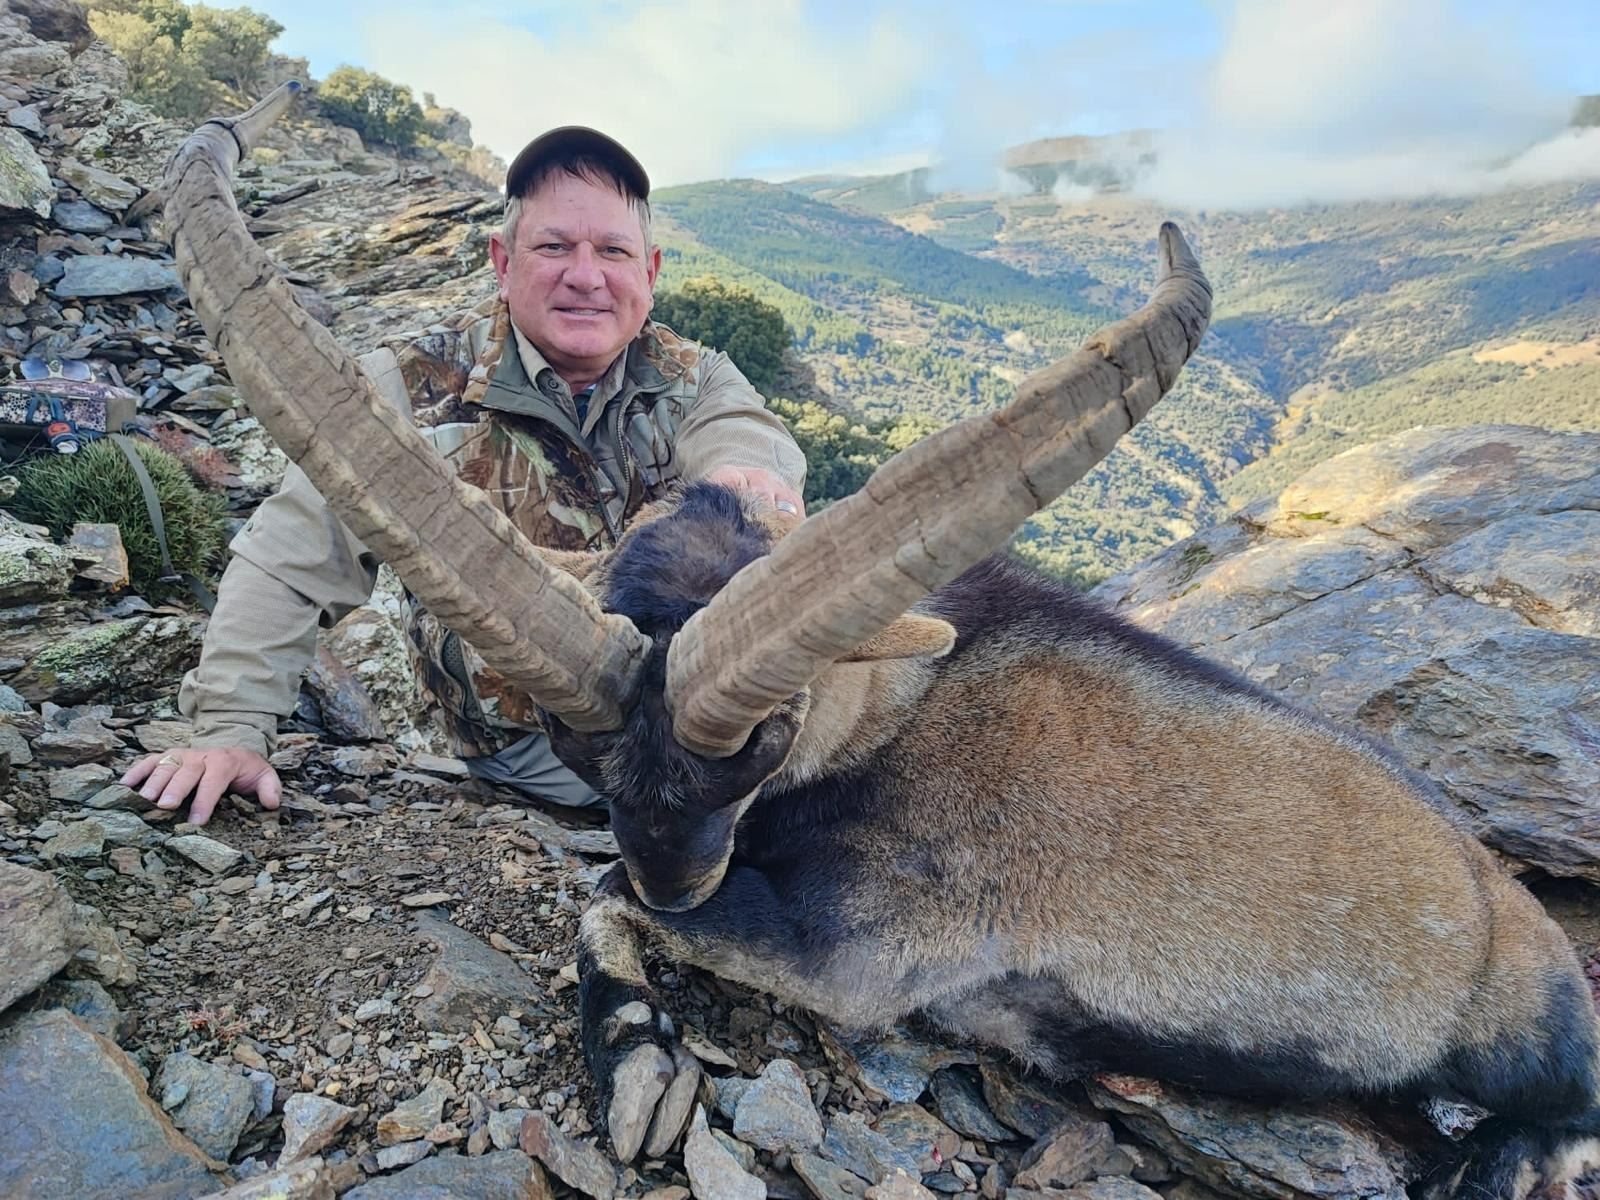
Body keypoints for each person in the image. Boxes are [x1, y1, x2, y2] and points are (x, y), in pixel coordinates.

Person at [123, 127, 807, 824]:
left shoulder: (698, 378)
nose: (586, 276)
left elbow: (745, 432)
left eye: (613, 251)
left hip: (707, 747)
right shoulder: (402, 388)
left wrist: (747, 481)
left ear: (650, 273)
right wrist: (231, 728)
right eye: (554, 247)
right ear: (502, 262)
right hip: (539, 757)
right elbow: (288, 560)